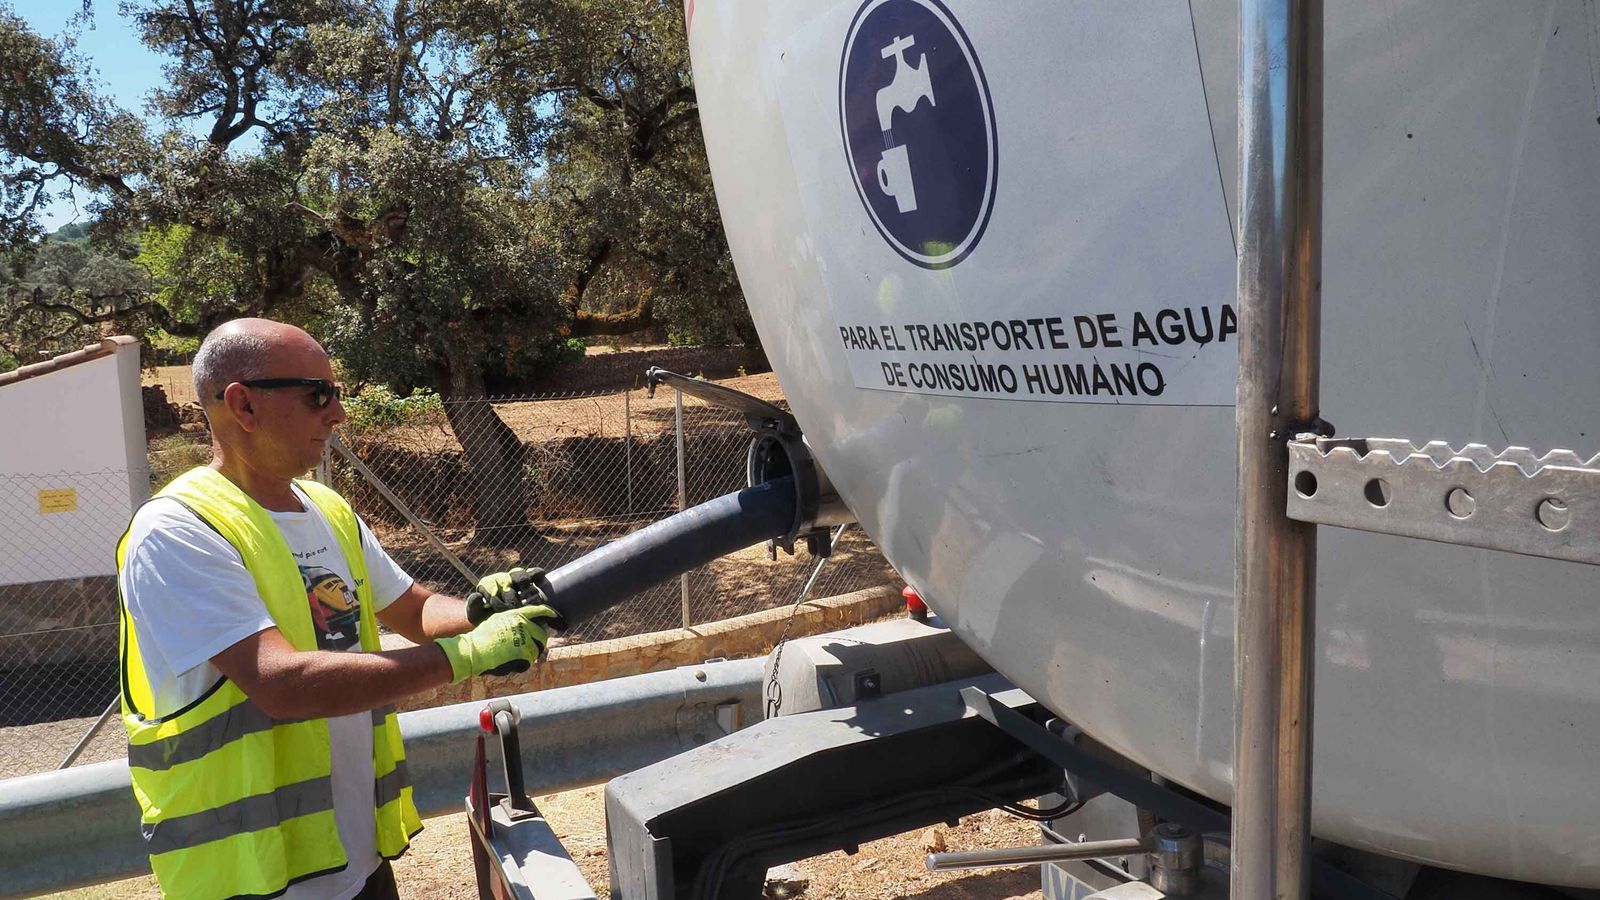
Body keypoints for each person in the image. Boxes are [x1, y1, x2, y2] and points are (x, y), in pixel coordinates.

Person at [116, 318, 554, 900]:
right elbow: (282, 683)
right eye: (317, 393)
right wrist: (466, 656)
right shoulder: (177, 530)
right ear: (243, 405)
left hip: (354, 863)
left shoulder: (327, 509)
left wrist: (477, 611)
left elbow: (414, 611)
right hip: (252, 878)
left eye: (337, 392)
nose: (338, 413)